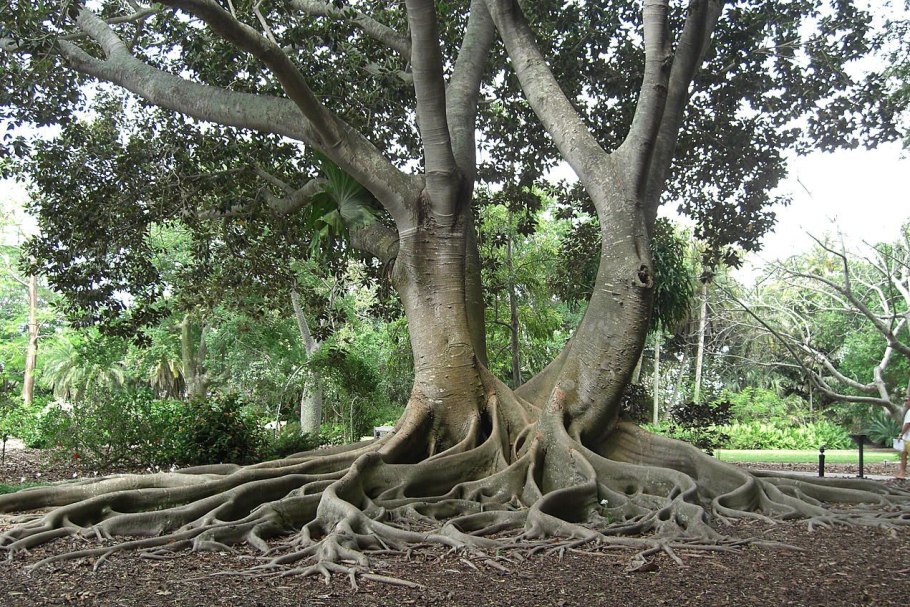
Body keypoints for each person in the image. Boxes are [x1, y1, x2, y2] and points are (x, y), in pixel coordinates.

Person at [898, 397, 910, 479]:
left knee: (904, 454)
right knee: (903, 454)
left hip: (909, 438)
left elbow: (908, 424)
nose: (905, 402)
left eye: (906, 400)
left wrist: (901, 434)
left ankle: (902, 473)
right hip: (907, 438)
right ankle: (902, 473)